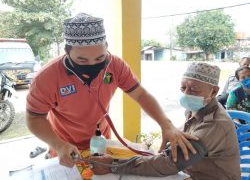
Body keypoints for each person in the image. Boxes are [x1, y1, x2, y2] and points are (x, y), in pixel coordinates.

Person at [26, 13, 197, 167]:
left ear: (106, 46)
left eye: (100, 57)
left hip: (101, 144)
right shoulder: (46, 77)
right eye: (82, 60)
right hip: (65, 149)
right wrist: (59, 145)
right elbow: (34, 118)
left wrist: (167, 125)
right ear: (67, 52)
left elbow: (140, 94)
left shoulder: (115, 65)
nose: (93, 65)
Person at [90, 62, 241, 180]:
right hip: (191, 173)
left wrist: (113, 165)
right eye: (183, 87)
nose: (186, 93)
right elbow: (174, 144)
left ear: (213, 91)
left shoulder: (215, 124)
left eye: (194, 89)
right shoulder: (196, 109)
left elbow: (171, 163)